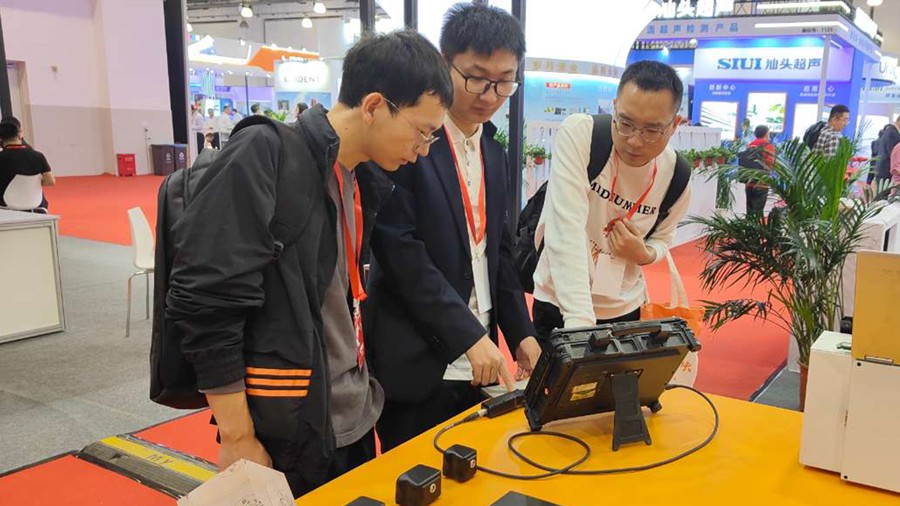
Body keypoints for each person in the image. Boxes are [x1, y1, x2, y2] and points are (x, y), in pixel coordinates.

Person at [164, 30, 452, 497]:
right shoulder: (267, 153)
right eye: (422, 132)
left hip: (352, 416)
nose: (423, 150)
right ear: (374, 106)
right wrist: (238, 436)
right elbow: (205, 299)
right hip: (289, 426)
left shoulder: (363, 179)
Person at [364, 3, 540, 452]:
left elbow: (498, 254)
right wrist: (467, 334)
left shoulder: (495, 154)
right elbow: (400, 253)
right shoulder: (408, 142)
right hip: (417, 357)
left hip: (482, 361)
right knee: (414, 475)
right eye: (476, 78)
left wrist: (521, 334)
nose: (490, 95)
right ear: (445, 64)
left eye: (504, 82)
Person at [531, 60, 692, 339]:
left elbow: (664, 237)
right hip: (560, 303)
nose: (635, 141)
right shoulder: (582, 134)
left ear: (674, 125)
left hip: (625, 308)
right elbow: (566, 229)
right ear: (615, 107)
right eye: (626, 123)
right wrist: (580, 326)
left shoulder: (677, 174)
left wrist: (644, 254)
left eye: (652, 131)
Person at [0, 120, 55, 209]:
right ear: (19, 135)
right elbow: (50, 181)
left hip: (5, 206)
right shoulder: (38, 156)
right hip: (36, 205)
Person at [744, 125, 775, 217]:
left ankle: (748, 226)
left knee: (749, 211)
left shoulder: (750, 145)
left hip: (749, 182)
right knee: (758, 212)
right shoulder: (767, 146)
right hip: (761, 183)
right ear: (766, 134)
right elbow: (771, 164)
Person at [875, 117, 900, 185]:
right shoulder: (892, 133)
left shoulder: (891, 131)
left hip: (885, 172)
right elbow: (894, 155)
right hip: (886, 173)